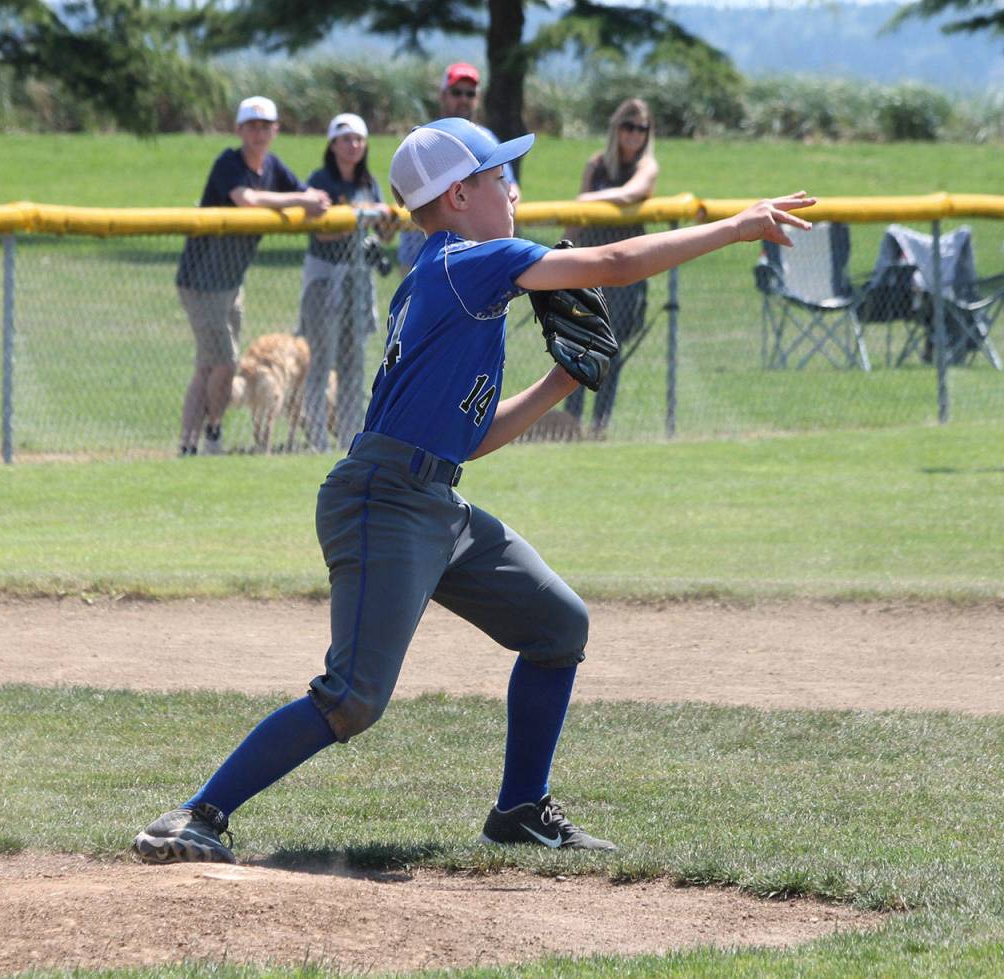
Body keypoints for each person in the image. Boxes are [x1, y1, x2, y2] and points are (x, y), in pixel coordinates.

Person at [133, 116, 814, 864]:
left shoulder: (451, 281)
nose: (513, 190)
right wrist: (736, 226)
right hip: (382, 500)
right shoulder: (465, 263)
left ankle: (520, 809)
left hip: (433, 500)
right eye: (499, 178)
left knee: (558, 625)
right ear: (458, 195)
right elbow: (615, 261)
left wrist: (561, 380)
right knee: (354, 698)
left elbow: (470, 437)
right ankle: (197, 813)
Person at [176, 96, 330, 457]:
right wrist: (298, 201)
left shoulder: (273, 168)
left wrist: (311, 201)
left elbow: (309, 195)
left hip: (231, 284)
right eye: (252, 127)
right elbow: (246, 199)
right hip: (201, 281)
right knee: (224, 362)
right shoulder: (229, 163)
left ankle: (189, 443)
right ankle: (211, 433)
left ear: (275, 130)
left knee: (208, 365)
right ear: (239, 130)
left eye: (265, 127)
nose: (259, 134)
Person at [298, 113, 394, 451]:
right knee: (321, 359)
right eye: (345, 139)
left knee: (354, 361)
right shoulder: (320, 180)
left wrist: (385, 219)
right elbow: (319, 231)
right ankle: (316, 434)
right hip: (325, 278)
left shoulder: (368, 183)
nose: (353, 146)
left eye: (358, 139)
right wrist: (357, 220)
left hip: (357, 280)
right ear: (333, 144)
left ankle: (352, 433)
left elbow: (382, 232)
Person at [564, 98, 659, 438]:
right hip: (590, 264)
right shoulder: (597, 165)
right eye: (628, 126)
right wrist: (559, 256)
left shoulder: (646, 167)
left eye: (641, 128)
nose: (634, 134)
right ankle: (570, 423)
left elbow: (633, 193)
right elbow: (576, 223)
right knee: (576, 343)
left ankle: (599, 425)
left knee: (610, 348)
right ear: (616, 128)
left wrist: (588, 200)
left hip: (625, 271)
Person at [396, 62, 520, 276]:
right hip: (422, 256)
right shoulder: (425, 142)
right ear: (443, 95)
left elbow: (515, 191)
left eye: (470, 93)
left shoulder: (486, 139)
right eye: (457, 92)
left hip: (475, 256)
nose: (464, 99)